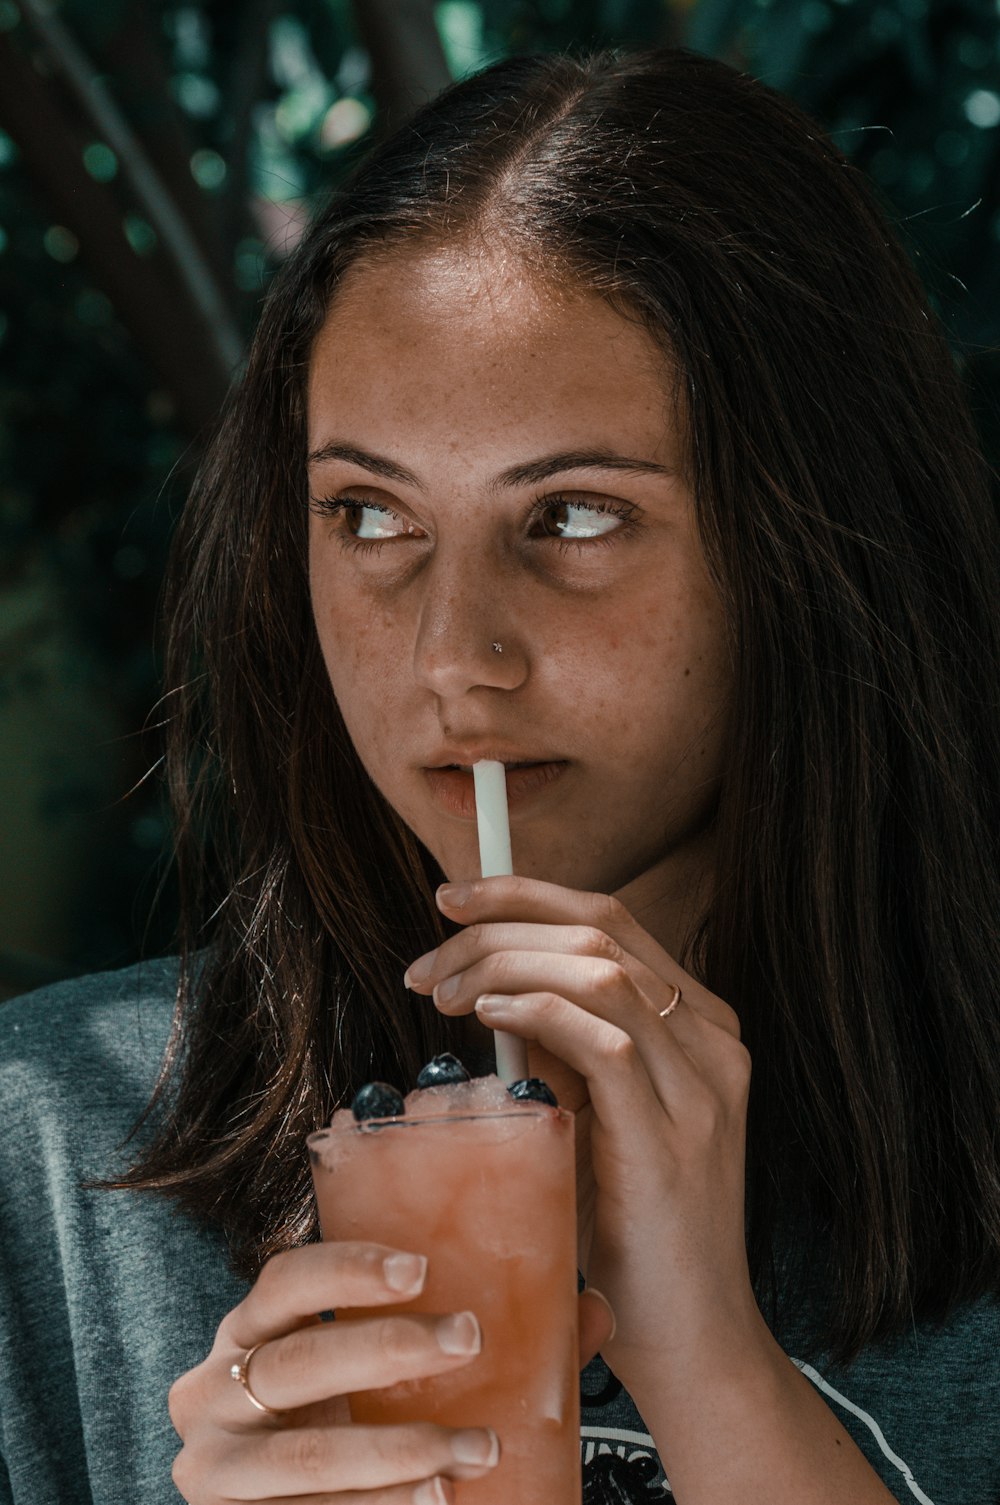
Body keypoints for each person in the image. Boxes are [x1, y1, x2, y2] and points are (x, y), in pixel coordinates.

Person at [2, 43, 998, 1505]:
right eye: (369, 514)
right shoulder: (52, 1169)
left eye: (577, 514)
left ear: (814, 546)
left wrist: (716, 1372)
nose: (453, 654)